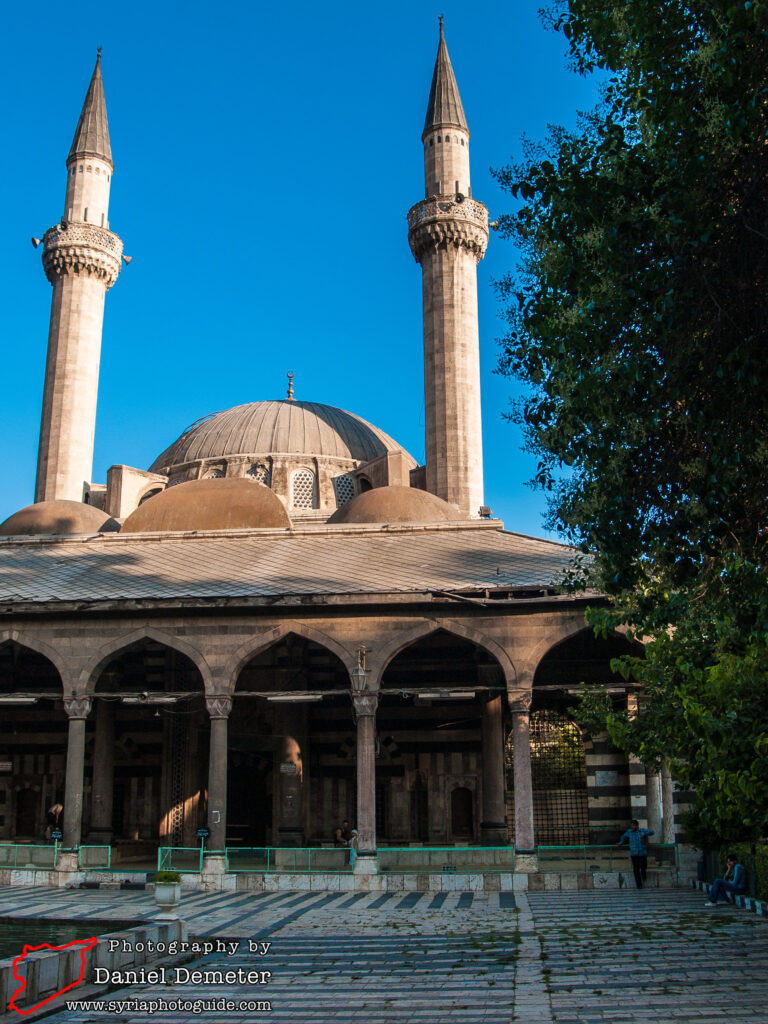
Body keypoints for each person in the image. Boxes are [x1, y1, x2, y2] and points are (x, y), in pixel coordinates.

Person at [617, 819, 655, 889]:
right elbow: (623, 836)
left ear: (636, 826)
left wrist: (645, 834)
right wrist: (621, 842)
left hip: (642, 852)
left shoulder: (642, 831)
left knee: (643, 866)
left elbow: (652, 832)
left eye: (633, 826)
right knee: (636, 869)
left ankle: (643, 875)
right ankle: (639, 884)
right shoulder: (629, 832)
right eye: (631, 826)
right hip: (634, 853)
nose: (632, 827)